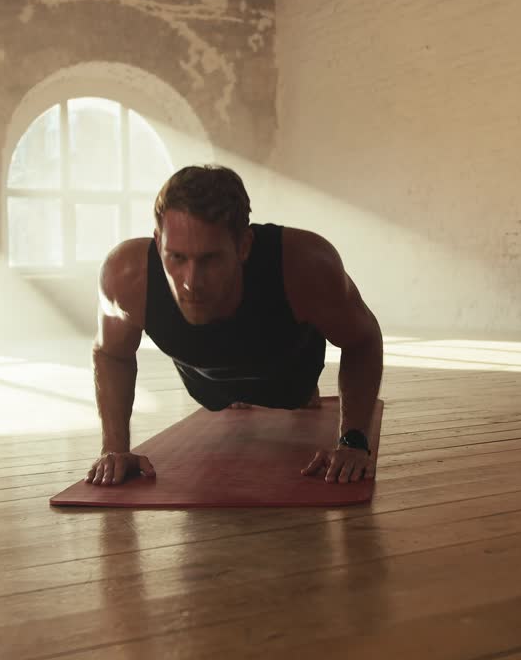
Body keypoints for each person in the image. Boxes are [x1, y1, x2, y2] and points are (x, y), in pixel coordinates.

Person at [85, 164, 383, 486]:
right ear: (158, 244)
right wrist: (113, 449)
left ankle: (300, 393)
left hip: (291, 377)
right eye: (177, 258)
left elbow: (362, 340)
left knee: (295, 394)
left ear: (243, 246)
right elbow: (111, 353)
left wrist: (353, 441)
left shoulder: (305, 263)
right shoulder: (127, 275)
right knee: (221, 394)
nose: (191, 283)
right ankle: (237, 391)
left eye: (210, 259)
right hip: (207, 385)